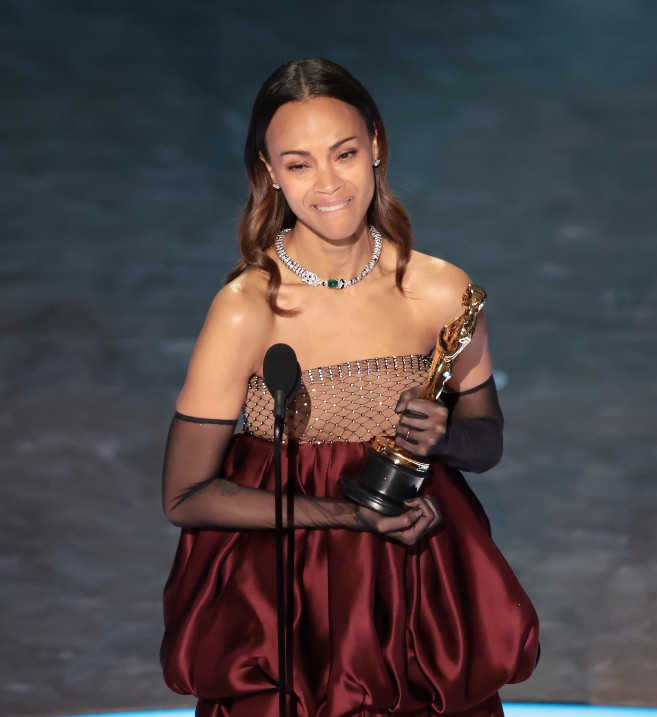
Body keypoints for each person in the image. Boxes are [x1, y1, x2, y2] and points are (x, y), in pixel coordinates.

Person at [160, 58, 538, 717]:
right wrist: (347, 515)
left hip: (418, 595)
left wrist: (447, 436)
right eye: (300, 163)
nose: (327, 182)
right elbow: (186, 493)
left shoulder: (442, 291)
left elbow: (488, 442)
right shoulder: (248, 307)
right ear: (269, 171)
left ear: (376, 148)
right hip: (284, 611)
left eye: (344, 154)